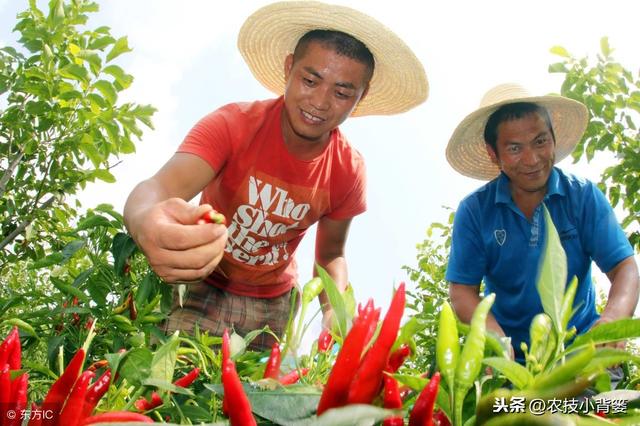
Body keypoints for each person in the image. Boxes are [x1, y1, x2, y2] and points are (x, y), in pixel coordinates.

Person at [123, 1, 428, 349]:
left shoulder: (348, 171)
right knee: (167, 386)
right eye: (310, 80)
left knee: (254, 398)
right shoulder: (233, 125)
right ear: (288, 68)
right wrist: (146, 221)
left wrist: (335, 309)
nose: (320, 101)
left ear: (361, 97)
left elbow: (330, 254)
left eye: (342, 93)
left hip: (273, 304)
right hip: (203, 283)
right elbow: (158, 189)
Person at [444, 83, 639, 362]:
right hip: (513, 361)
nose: (532, 159)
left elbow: (625, 268)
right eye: (514, 148)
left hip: (583, 351)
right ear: (492, 153)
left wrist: (613, 319)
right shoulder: (475, 211)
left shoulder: (581, 195)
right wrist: (494, 337)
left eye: (540, 141)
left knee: (601, 406)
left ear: (553, 138)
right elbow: (462, 290)